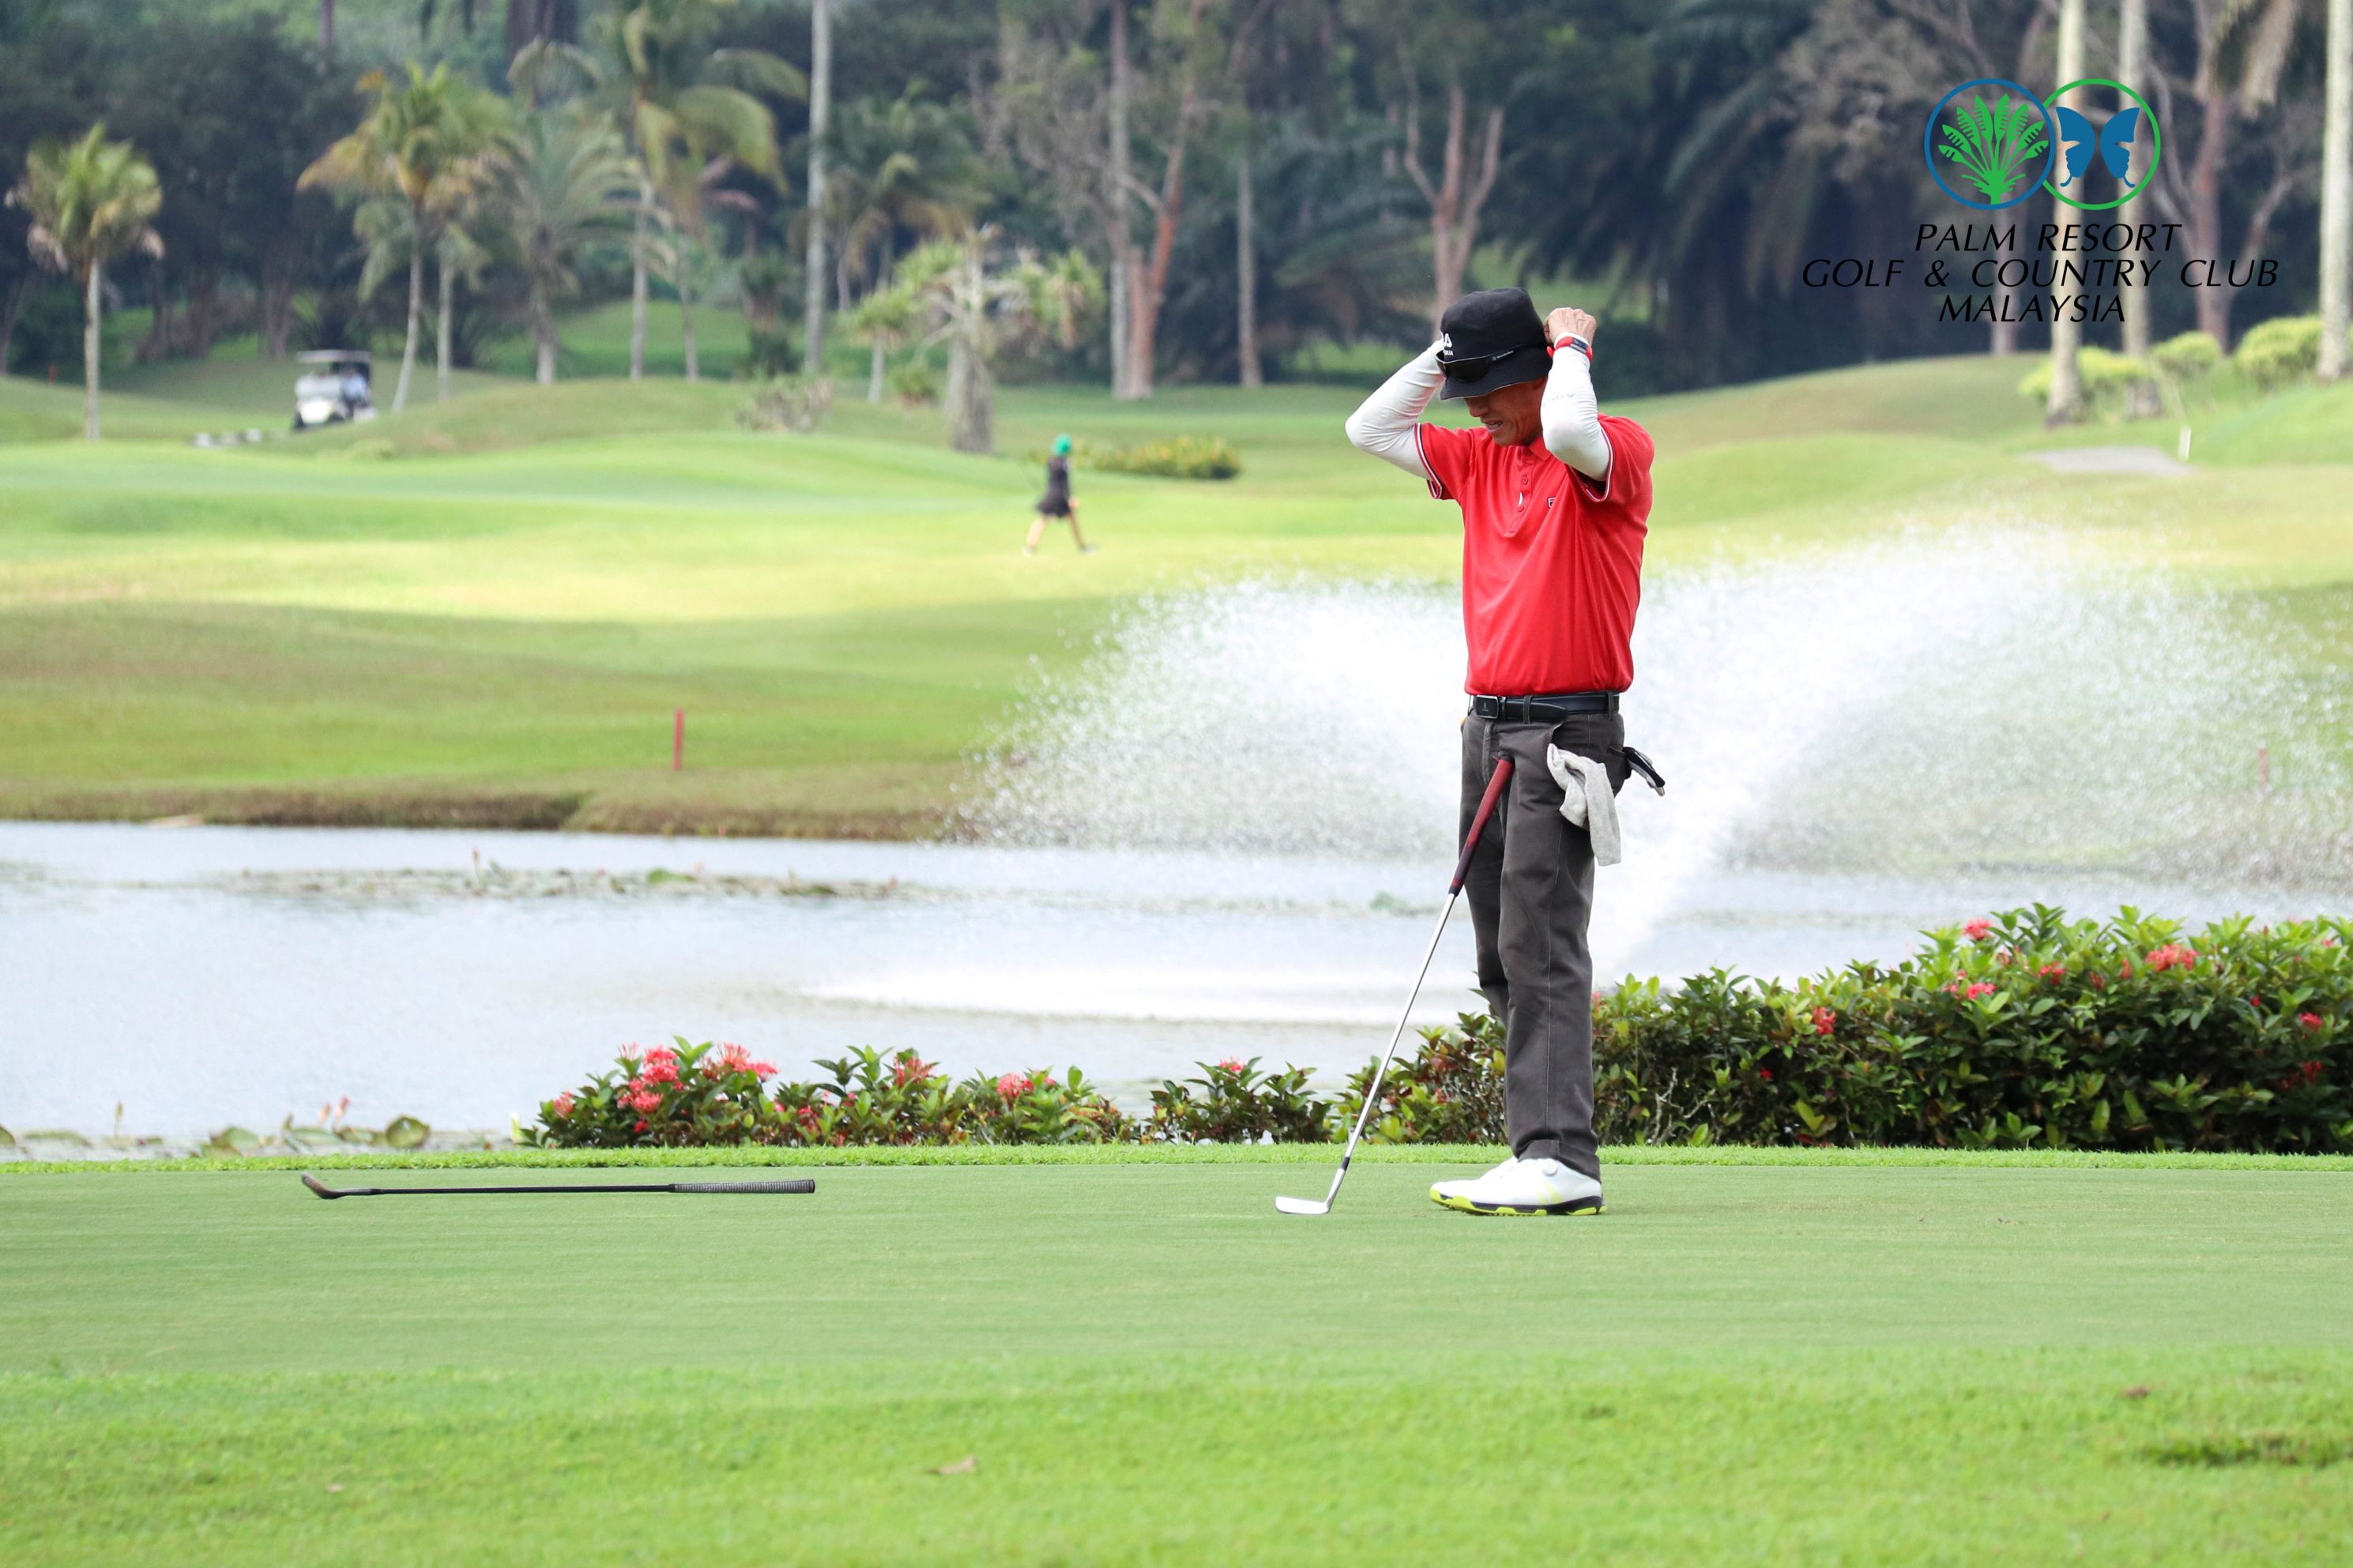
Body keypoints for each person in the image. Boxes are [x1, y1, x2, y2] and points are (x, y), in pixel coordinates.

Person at [1345, 287, 1655, 1217]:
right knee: (1496, 949)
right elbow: (1368, 425)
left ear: (1536, 372)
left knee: (1540, 939)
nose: (1467, 402)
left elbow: (1565, 428)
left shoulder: (1610, 448)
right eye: (1460, 384)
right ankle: (1536, 1145)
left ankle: (1560, 1157)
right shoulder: (1477, 458)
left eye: (1486, 383)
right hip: (1486, 728)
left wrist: (1566, 346)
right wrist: (1449, 352)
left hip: (1565, 733)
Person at [1025, 434, 1092, 555]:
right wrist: (1070, 498)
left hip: (1051, 495)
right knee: (1070, 520)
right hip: (1060, 497)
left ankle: (1030, 547)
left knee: (1043, 520)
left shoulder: (1051, 461)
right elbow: (1065, 483)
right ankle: (1082, 547)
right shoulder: (1065, 463)